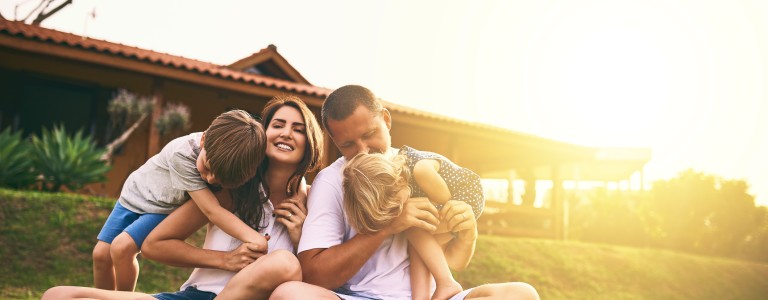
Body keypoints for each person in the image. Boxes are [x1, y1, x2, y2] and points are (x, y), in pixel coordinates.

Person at [271, 85, 539, 300]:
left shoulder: (422, 167)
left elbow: (453, 259)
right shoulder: (331, 181)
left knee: (521, 294)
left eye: (370, 134)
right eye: (348, 144)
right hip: (362, 296)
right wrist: (389, 225)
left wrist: (468, 233)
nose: (364, 150)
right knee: (289, 295)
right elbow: (314, 275)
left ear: (386, 120)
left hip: (433, 297)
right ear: (335, 142)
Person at [44, 95, 323, 299]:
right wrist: (225, 260)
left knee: (284, 262)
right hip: (195, 296)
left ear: (310, 141)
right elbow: (155, 245)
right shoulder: (230, 189)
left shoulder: (313, 201)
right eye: (278, 125)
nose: (287, 133)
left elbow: (319, 285)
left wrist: (301, 238)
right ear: (262, 136)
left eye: (298, 129)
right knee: (58, 296)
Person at [93, 109, 269, 291]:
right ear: (203, 140)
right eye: (207, 168)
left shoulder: (226, 156)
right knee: (101, 255)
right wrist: (256, 239)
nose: (210, 179)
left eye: (220, 179)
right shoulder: (182, 155)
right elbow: (212, 210)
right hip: (134, 194)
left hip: (161, 206)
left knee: (122, 248)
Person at [342, 144, 485, 300]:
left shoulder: (420, 170)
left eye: (396, 207)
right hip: (452, 204)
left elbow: (445, 200)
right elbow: (456, 262)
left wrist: (437, 215)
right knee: (417, 242)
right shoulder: (403, 177)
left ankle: (447, 283)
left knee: (415, 227)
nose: (397, 214)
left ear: (398, 182)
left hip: (465, 196)